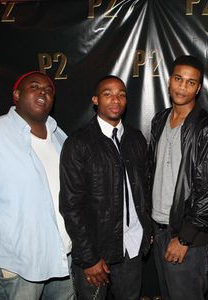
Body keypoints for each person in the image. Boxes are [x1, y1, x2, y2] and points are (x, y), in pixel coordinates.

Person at [0, 71, 74, 299]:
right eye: (35, 86)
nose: (43, 91)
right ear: (16, 95)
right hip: (17, 267)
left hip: (62, 260)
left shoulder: (61, 138)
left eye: (49, 90)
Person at [59, 75, 151, 300]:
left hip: (132, 248)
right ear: (95, 100)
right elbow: (71, 206)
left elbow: (144, 187)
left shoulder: (136, 139)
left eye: (121, 94)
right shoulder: (78, 143)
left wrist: (147, 229)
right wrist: (88, 258)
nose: (115, 99)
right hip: (96, 252)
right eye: (107, 94)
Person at [148, 55, 208, 300]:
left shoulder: (207, 128)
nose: (182, 87)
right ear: (170, 81)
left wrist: (184, 238)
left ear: (199, 88)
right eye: (178, 79)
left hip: (185, 234)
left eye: (190, 82)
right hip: (158, 227)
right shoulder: (160, 120)